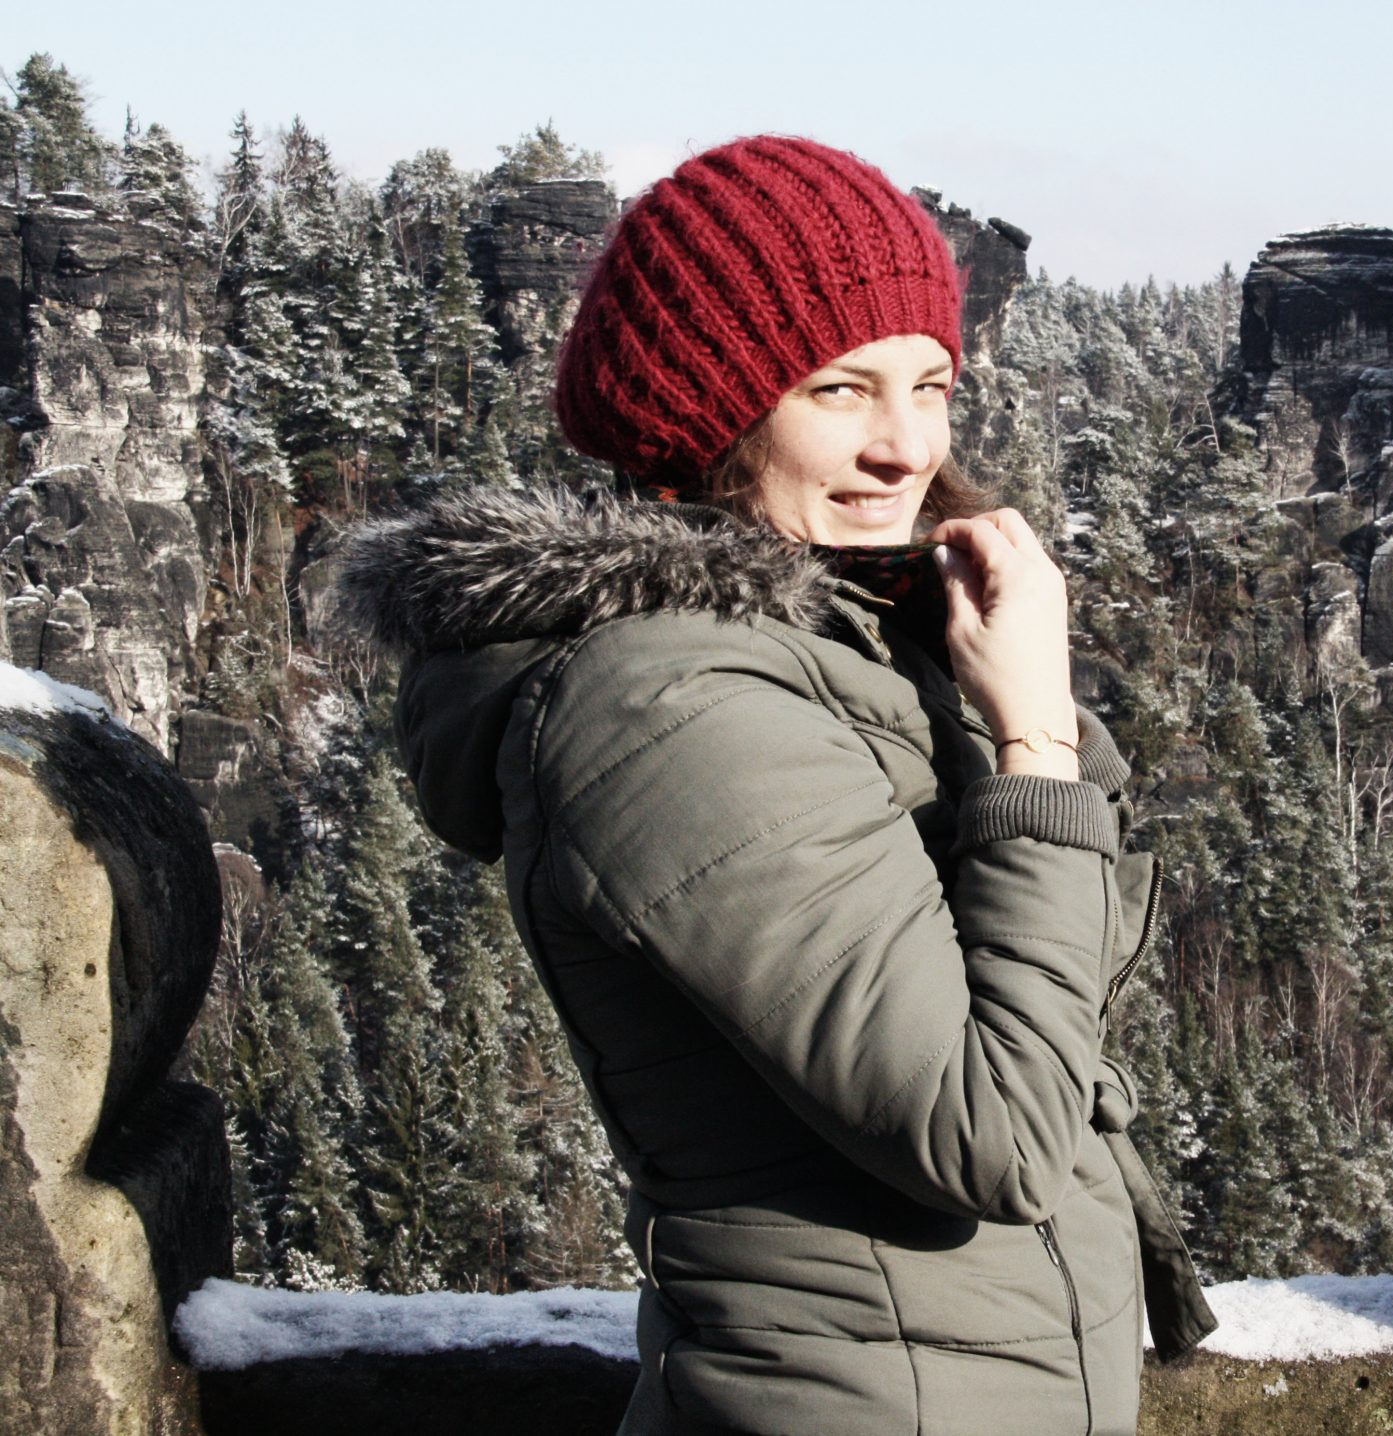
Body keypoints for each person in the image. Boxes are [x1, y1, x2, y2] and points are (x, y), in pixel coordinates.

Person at [336, 135, 1209, 1436]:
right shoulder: (665, 707)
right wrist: (1031, 737)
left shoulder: (842, 647)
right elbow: (997, 1135)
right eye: (840, 391)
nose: (904, 446)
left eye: (932, 384)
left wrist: (990, 688)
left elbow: (1085, 954)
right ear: (712, 414)